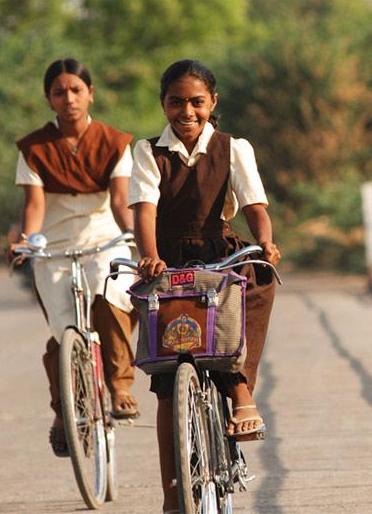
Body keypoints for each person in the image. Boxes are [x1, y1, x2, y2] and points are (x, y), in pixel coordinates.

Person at [128, 59, 280, 513]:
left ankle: (238, 389)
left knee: (257, 281)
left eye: (197, 102)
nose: (186, 111)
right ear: (164, 105)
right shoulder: (147, 151)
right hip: (168, 259)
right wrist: (149, 256)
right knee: (168, 381)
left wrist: (267, 241)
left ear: (212, 103)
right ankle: (173, 498)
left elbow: (254, 206)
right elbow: (144, 211)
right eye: (176, 102)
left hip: (219, 250)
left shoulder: (234, 148)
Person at [9, 58, 140, 458]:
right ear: (48, 99)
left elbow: (120, 201)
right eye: (59, 92)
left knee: (111, 295)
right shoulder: (33, 148)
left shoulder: (115, 142)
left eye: (76, 90)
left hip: (105, 239)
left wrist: (137, 237)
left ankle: (120, 386)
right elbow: (33, 205)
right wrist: (28, 241)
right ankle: (65, 409)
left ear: (90, 94)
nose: (68, 99)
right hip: (54, 246)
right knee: (64, 331)